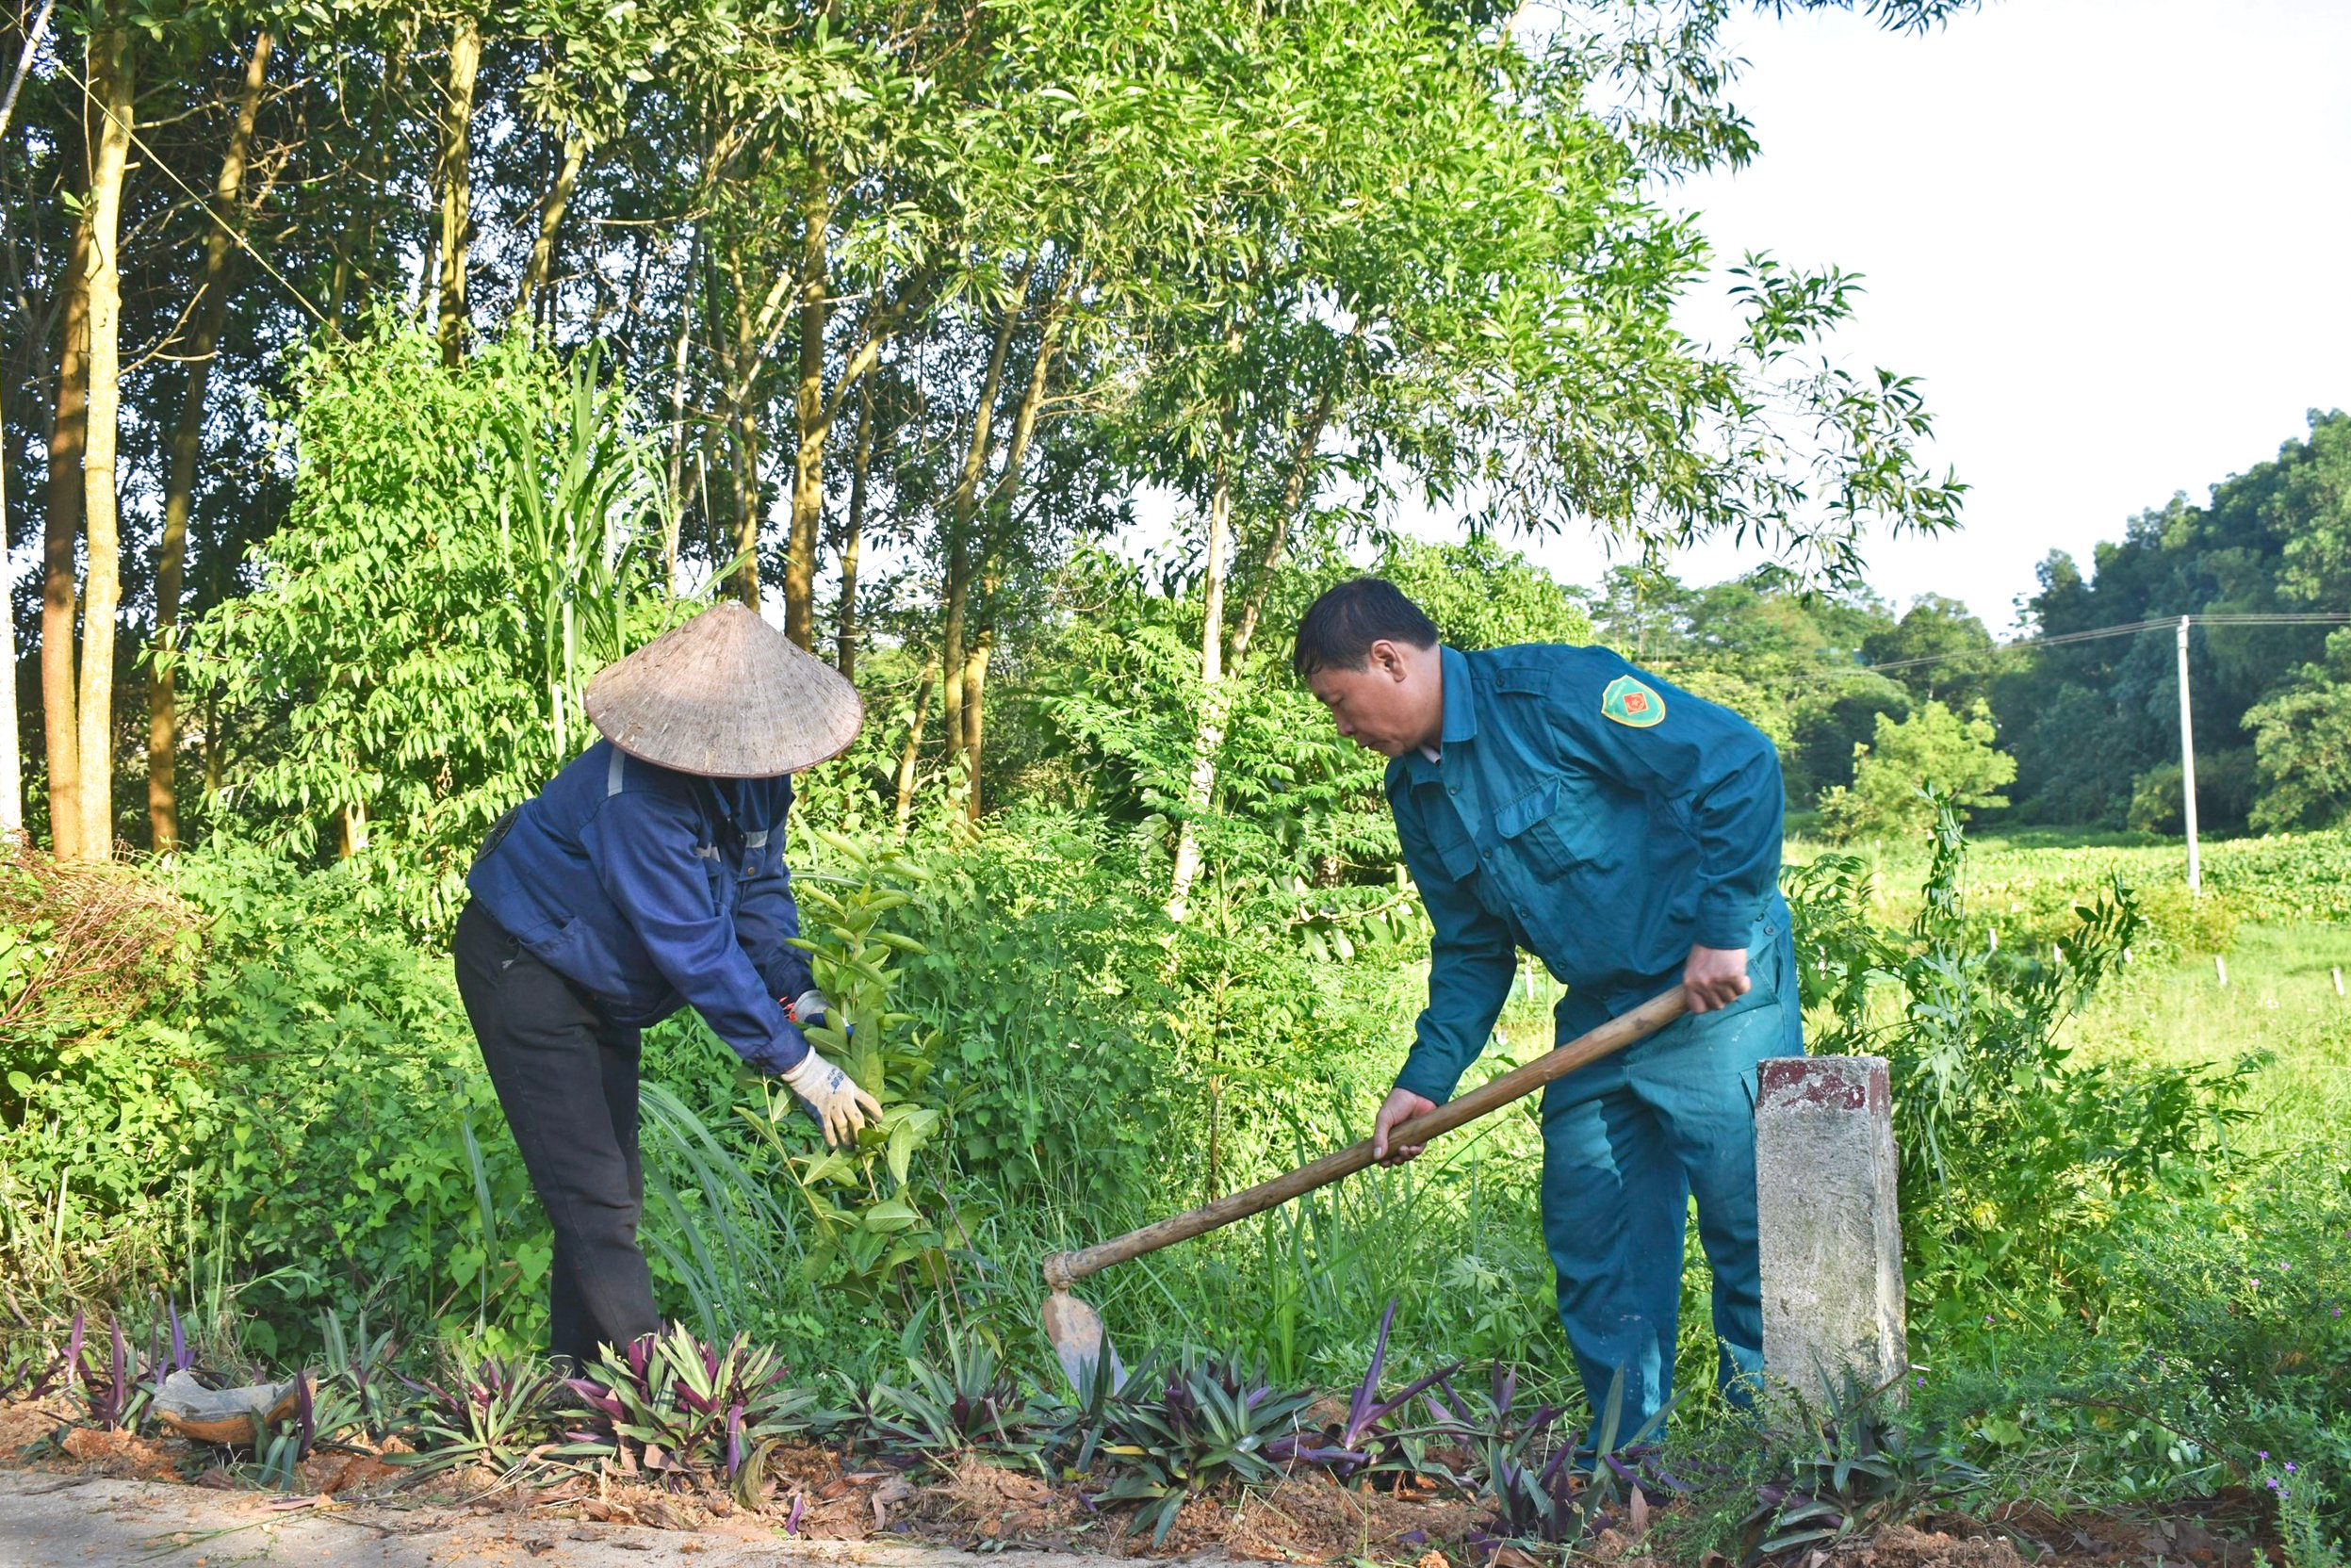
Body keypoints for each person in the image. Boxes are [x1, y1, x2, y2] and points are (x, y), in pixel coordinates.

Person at [1294, 578, 1799, 1437]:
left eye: (1340, 704)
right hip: (1600, 1019)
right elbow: (1470, 948)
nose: (1343, 729)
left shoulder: (1560, 693)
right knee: (1594, 1235)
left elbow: (1737, 763)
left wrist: (1721, 930)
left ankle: (1778, 1458)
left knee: (1749, 1222)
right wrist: (1426, 1079)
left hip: (1713, 995)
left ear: (1388, 660)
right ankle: (1627, 1462)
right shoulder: (1413, 792)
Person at [455, 601, 882, 1367]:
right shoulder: (640, 799)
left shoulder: (759, 776)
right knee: (594, 1196)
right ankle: (660, 1399)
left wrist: (802, 996)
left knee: (611, 1192)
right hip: (529, 967)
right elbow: (696, 947)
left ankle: (575, 1388)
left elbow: (758, 894)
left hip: (603, 977)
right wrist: (801, 1069)